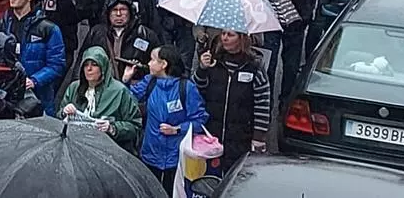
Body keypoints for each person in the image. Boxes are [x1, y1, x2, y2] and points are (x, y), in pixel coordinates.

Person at [126, 45, 208, 193]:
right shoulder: (149, 82)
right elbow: (127, 99)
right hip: (150, 154)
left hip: (176, 158)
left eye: (153, 60)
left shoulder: (187, 88)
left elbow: (200, 120)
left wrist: (177, 129)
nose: (149, 63)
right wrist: (126, 80)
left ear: (164, 64)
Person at [192, 31, 271, 170]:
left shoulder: (255, 67)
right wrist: (202, 69)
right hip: (211, 135)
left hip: (241, 137)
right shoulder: (214, 61)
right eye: (223, 33)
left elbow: (263, 103)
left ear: (241, 39)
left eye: (230, 35)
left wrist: (258, 137)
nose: (225, 37)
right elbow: (196, 92)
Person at [0, 0, 66, 116]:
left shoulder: (49, 28)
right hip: (4, 96)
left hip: (37, 97)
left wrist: (34, 80)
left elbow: (57, 65)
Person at [58, 46, 142, 150]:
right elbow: (59, 116)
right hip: (76, 146)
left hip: (106, 149)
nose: (89, 69)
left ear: (103, 67)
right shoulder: (74, 87)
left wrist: (112, 128)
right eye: (85, 65)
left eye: (94, 65)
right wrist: (64, 112)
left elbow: (135, 125)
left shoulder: (119, 91)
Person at [268, 0, 323, 103]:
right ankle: (266, 102)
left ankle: (285, 103)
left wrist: (311, 21)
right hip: (274, 21)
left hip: (298, 25)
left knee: (292, 68)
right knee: (269, 66)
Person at [80, 0, 160, 82]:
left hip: (135, 87)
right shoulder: (96, 32)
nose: (118, 14)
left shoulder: (145, 35)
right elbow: (82, 60)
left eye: (123, 10)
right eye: (114, 10)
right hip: (100, 84)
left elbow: (157, 65)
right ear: (108, 13)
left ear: (130, 12)